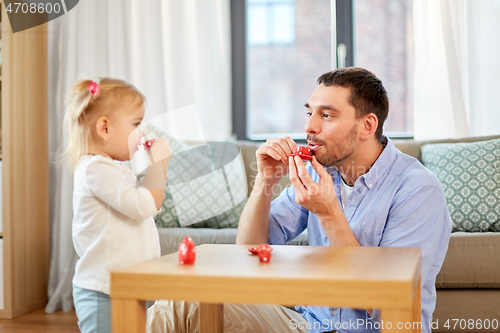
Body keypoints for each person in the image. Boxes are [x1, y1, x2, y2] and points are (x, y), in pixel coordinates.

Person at [147, 68, 453, 333]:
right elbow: (248, 251)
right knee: (179, 302)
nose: (309, 127)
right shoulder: (319, 173)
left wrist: (330, 213)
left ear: (367, 126)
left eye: (327, 115)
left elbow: (391, 303)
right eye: (310, 112)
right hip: (306, 324)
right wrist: (264, 182)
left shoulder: (417, 191)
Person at [64, 78, 171, 333]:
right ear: (104, 128)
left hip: (123, 286)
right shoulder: (96, 169)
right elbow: (145, 205)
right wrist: (157, 165)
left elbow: (148, 206)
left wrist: (159, 166)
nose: (142, 131)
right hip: (104, 290)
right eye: (136, 123)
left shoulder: (112, 169)